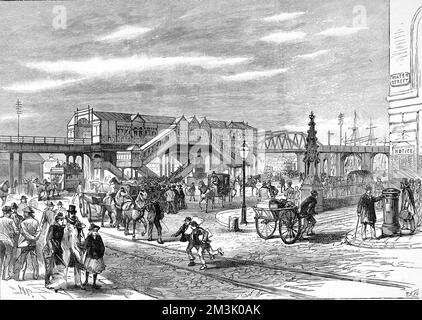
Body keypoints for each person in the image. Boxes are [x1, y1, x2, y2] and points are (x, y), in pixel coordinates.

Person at [15, 206, 40, 281]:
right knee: (34, 259)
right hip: (33, 243)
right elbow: (38, 231)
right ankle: (36, 275)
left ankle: (21, 276)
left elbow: (24, 233)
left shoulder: (23, 222)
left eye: (25, 212)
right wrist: (34, 238)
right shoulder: (36, 221)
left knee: (23, 260)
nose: (23, 213)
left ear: (28, 213)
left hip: (25, 243)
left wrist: (31, 238)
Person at [43, 213, 65, 289]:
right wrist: (51, 248)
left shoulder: (61, 228)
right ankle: (47, 282)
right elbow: (48, 239)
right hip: (49, 250)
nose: (63, 221)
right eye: (61, 220)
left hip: (57, 249)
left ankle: (56, 283)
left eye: (63, 220)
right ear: (57, 220)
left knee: (59, 267)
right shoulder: (52, 227)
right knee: (49, 268)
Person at [83, 224, 106, 289]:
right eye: (94, 230)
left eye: (96, 230)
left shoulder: (99, 237)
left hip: (97, 255)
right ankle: (86, 280)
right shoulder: (89, 237)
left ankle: (94, 282)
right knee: (88, 268)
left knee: (96, 269)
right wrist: (87, 250)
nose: (95, 232)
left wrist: (101, 252)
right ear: (91, 231)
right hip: (90, 255)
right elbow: (86, 245)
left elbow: (102, 246)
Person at [0, 206, 20, 280]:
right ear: (7, 213)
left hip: (0, 240)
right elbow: (16, 231)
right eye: (10, 212)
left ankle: (0, 274)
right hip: (8, 241)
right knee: (8, 257)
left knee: (0, 257)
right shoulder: (10, 221)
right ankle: (4, 275)